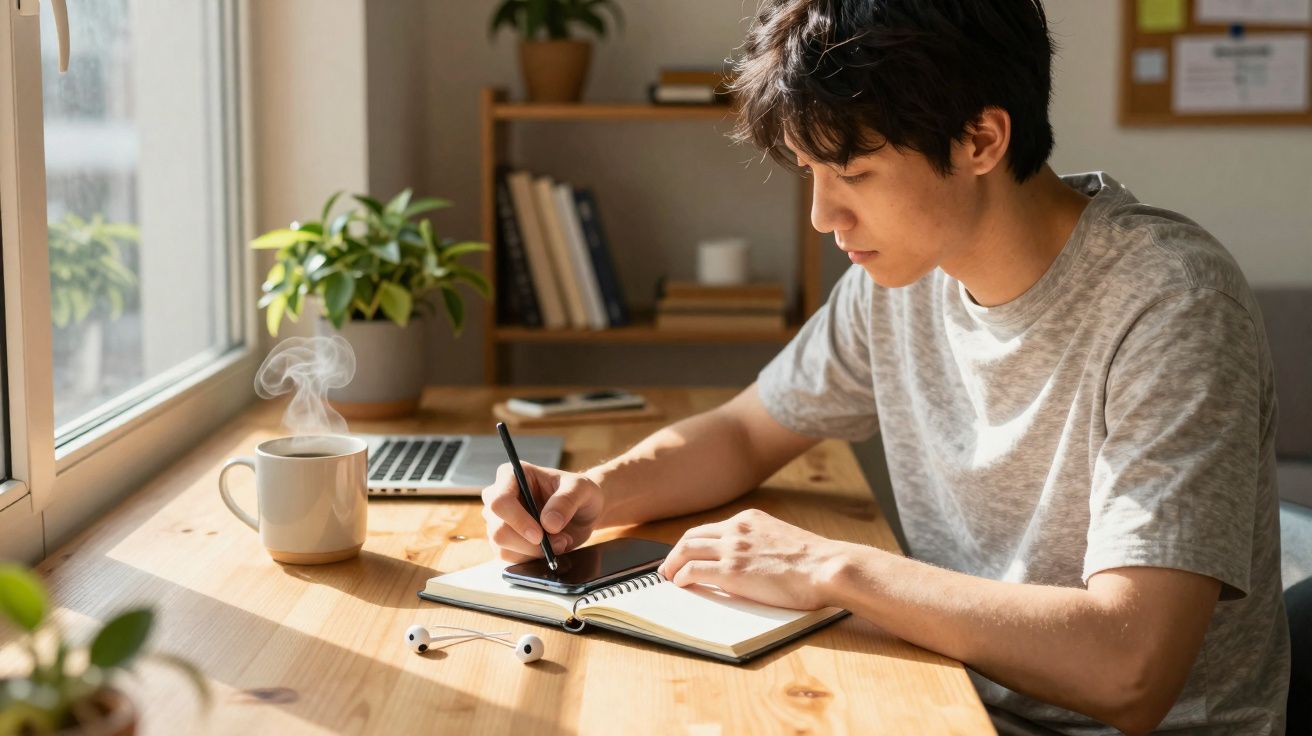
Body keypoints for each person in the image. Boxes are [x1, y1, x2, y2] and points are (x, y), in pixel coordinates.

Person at [478, 1, 1289, 733]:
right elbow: (744, 432)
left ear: (980, 139)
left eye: (853, 173)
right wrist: (594, 491)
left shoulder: (1172, 302)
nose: (824, 216)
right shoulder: (901, 277)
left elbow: (1130, 668)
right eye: (810, 173)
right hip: (953, 698)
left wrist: (828, 566)